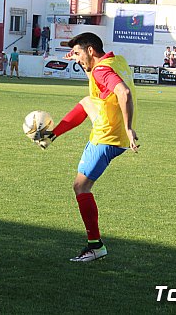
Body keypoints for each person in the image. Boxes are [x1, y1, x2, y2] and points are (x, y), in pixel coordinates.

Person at [32, 32, 138, 262]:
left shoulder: (101, 70)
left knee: (81, 187)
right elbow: (101, 79)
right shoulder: (115, 60)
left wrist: (129, 128)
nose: (77, 59)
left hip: (107, 135)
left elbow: (123, 92)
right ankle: (52, 135)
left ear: (91, 51)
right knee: (88, 101)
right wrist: (79, 58)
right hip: (113, 128)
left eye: (79, 53)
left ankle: (95, 246)